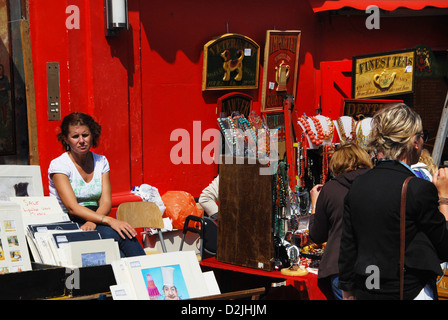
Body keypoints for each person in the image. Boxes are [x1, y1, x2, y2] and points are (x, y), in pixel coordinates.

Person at [338, 103, 448, 300]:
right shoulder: (418, 188)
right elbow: (445, 245)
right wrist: (444, 197)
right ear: (414, 141)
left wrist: (347, 289)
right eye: (422, 136)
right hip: (407, 291)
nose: (423, 142)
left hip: (367, 290)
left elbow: (348, 244)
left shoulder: (358, 184)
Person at [48, 112, 145, 257]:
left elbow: (106, 201)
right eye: (75, 137)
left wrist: (94, 221)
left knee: (126, 234)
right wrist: (108, 221)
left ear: (92, 135)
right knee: (112, 238)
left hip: (96, 215)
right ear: (66, 139)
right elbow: (72, 207)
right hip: (69, 219)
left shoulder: (101, 161)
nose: (81, 140)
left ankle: (143, 271)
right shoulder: (59, 165)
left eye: (85, 135)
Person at [309, 143, 372, 300]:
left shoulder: (331, 189)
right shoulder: (377, 184)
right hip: (373, 266)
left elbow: (317, 235)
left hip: (340, 266)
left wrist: (315, 205)